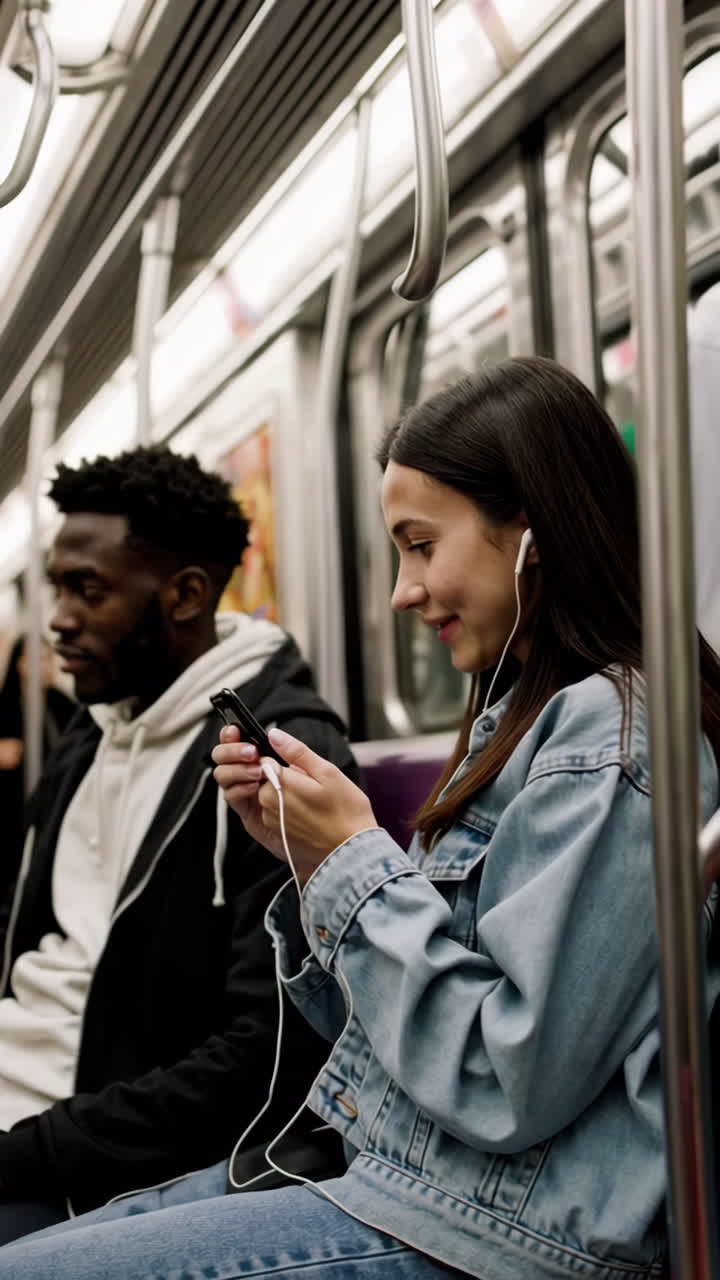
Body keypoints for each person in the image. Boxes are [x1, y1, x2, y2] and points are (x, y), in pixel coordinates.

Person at [3, 357, 720, 1279]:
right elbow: (396, 1029)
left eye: (421, 545)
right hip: (393, 1169)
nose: (401, 592)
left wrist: (349, 859)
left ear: (532, 539)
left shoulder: (621, 737)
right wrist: (309, 863)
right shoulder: (520, 719)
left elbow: (506, 1079)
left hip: (496, 1229)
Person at [0, 445, 357, 1245]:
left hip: (88, 1150)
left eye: (87, 590)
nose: (58, 618)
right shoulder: (91, 734)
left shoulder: (275, 757)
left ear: (187, 594)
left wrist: (28, 1154)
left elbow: (264, 1055)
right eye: (58, 588)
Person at [0, 636, 75, 913]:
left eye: (47, 658)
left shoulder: (65, 706)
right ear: (19, 664)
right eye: (36, 659)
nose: (44, 666)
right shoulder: (5, 706)